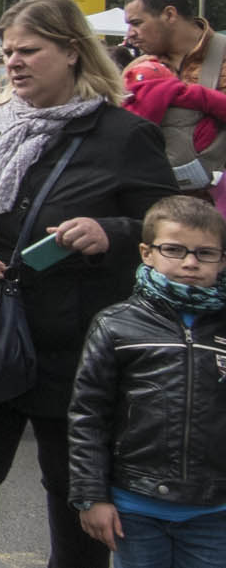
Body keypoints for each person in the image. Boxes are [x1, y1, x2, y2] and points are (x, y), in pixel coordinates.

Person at [0, 0, 179, 568]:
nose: (15, 62)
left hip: (75, 348)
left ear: (74, 52)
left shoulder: (123, 134)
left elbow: (170, 229)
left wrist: (115, 232)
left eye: (30, 50)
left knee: (74, 498)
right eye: (7, 52)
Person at [68, 195, 226, 568]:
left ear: (222, 260)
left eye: (205, 253)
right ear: (146, 252)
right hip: (134, 507)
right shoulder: (116, 324)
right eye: (174, 249)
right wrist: (92, 496)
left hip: (215, 511)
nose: (189, 262)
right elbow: (88, 415)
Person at [125, 0, 223, 196]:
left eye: (137, 23)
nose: (129, 34)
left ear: (169, 14)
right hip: (154, 204)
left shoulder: (223, 57)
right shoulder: (136, 70)